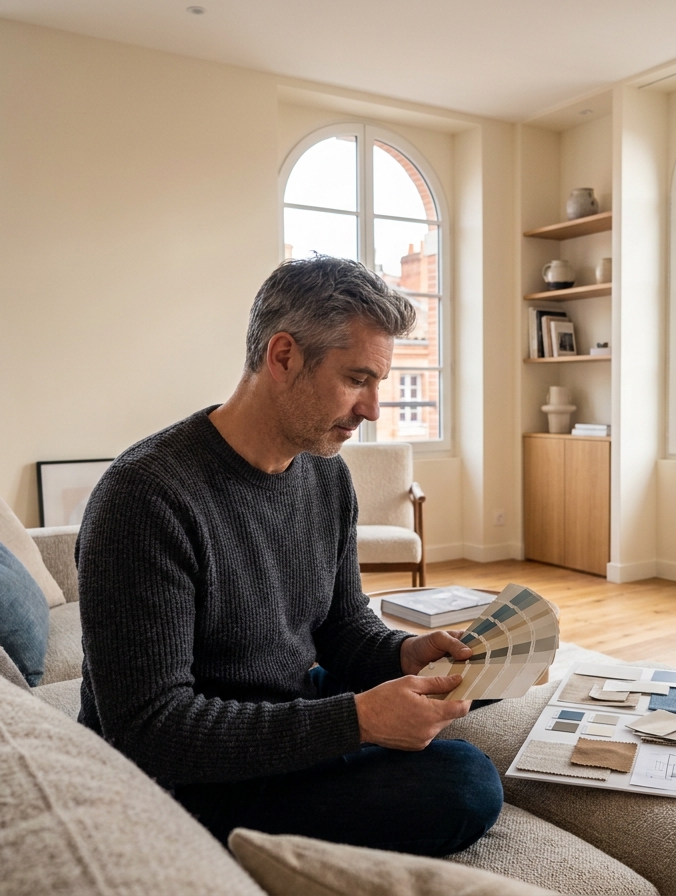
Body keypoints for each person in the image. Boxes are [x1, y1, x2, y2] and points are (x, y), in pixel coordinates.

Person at [76, 256, 503, 856]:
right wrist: (356, 721)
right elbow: (149, 729)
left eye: (378, 383)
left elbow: (342, 626)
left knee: (458, 710)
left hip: (281, 706)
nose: (373, 409)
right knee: (464, 784)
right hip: (183, 778)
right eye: (357, 379)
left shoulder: (326, 479)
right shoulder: (146, 497)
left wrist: (407, 654)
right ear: (283, 358)